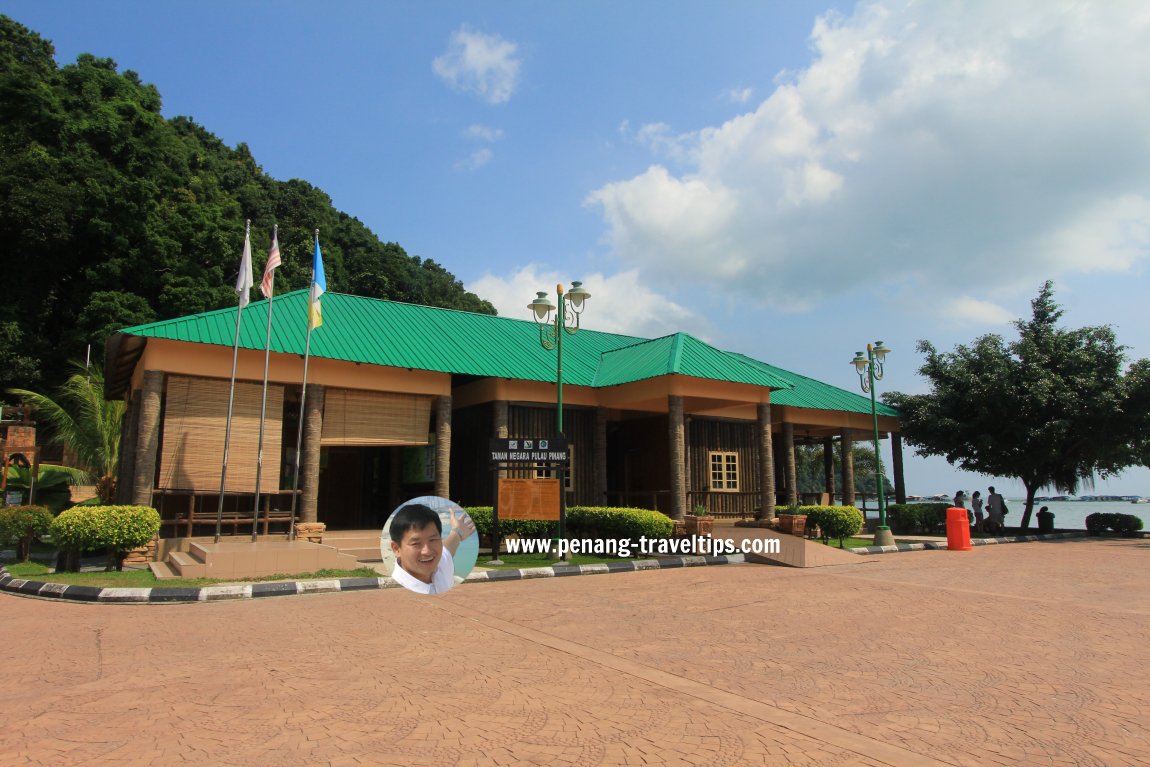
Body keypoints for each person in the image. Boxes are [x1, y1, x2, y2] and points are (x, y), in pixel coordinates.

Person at [388, 503, 476, 595]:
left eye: (433, 540)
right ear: (396, 549)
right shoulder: (397, 590)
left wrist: (458, 531)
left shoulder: (441, 562)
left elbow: (449, 546)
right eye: (416, 543)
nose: (427, 551)